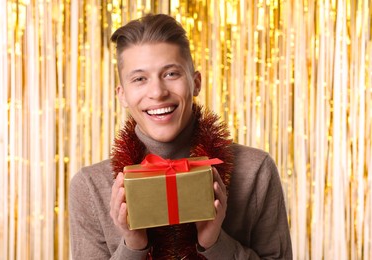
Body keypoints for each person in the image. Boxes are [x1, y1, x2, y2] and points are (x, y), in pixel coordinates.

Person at [69, 13, 292, 259]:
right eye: (140, 79)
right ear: (122, 95)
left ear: (195, 83)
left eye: (171, 74)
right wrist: (132, 247)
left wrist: (216, 243)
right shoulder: (91, 186)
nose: (157, 92)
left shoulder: (255, 170)